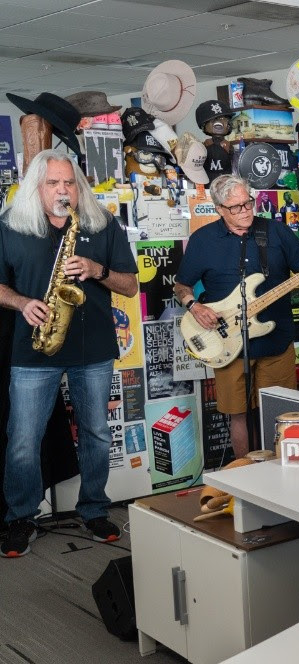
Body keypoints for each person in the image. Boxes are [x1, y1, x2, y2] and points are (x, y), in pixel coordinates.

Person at [0, 150, 138, 557]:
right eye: (53, 183)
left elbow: (130, 286)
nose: (63, 190)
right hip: (33, 350)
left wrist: (97, 271)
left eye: (69, 182)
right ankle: (21, 517)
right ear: (36, 187)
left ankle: (94, 508)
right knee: (23, 439)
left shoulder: (101, 223)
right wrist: (22, 303)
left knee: (96, 433)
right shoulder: (10, 225)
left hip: (93, 348)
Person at [175, 174, 299, 460]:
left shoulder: (276, 232)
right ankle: (245, 472)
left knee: (281, 412)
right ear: (219, 209)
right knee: (238, 414)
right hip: (226, 343)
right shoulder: (203, 240)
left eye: (248, 203)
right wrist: (194, 306)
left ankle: (280, 473)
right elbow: (181, 286)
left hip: (276, 339)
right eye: (236, 207)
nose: (245, 210)